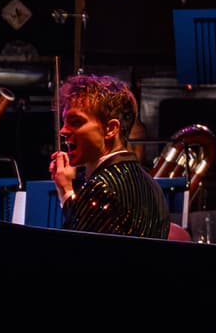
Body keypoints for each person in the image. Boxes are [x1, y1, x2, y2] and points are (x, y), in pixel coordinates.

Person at [48, 73, 170, 239]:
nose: (63, 131)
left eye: (76, 122)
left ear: (111, 129)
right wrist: (65, 189)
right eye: (64, 122)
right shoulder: (152, 185)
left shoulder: (99, 189)